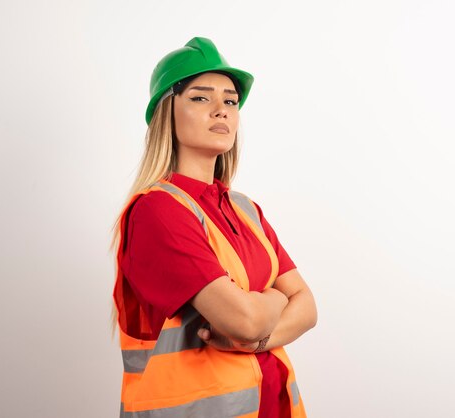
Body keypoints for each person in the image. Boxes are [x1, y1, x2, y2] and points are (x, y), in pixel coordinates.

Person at [111, 36, 317, 418]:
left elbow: (308, 308)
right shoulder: (158, 210)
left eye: (231, 101)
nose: (221, 110)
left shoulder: (245, 210)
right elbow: (245, 320)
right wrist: (275, 298)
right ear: (165, 112)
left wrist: (256, 341)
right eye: (201, 98)